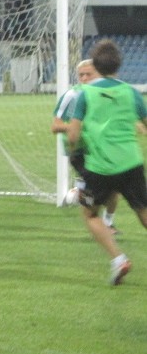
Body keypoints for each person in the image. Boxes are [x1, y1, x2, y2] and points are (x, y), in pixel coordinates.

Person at [67, 39, 147, 286]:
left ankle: (118, 259)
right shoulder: (132, 93)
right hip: (131, 163)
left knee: (90, 214)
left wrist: (78, 152)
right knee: (143, 212)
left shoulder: (85, 94)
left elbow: (72, 135)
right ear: (119, 64)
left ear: (95, 66)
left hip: (100, 167)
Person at [51, 59, 118, 231]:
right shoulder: (71, 96)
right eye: (81, 75)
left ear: (98, 74)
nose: (85, 78)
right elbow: (56, 126)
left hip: (100, 148)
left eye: (89, 74)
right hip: (79, 150)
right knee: (99, 189)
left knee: (114, 186)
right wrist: (76, 127)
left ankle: (107, 222)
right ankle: (83, 197)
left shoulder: (105, 95)